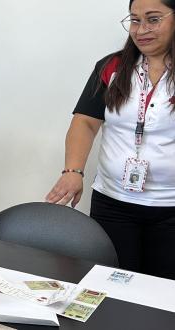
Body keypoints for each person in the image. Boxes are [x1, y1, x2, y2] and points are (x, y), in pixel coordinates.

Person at [46, 0, 175, 280]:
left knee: (166, 295)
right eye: (135, 20)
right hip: (113, 203)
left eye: (153, 20)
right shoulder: (112, 67)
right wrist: (73, 171)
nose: (141, 30)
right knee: (112, 286)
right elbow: (86, 122)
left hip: (171, 208)